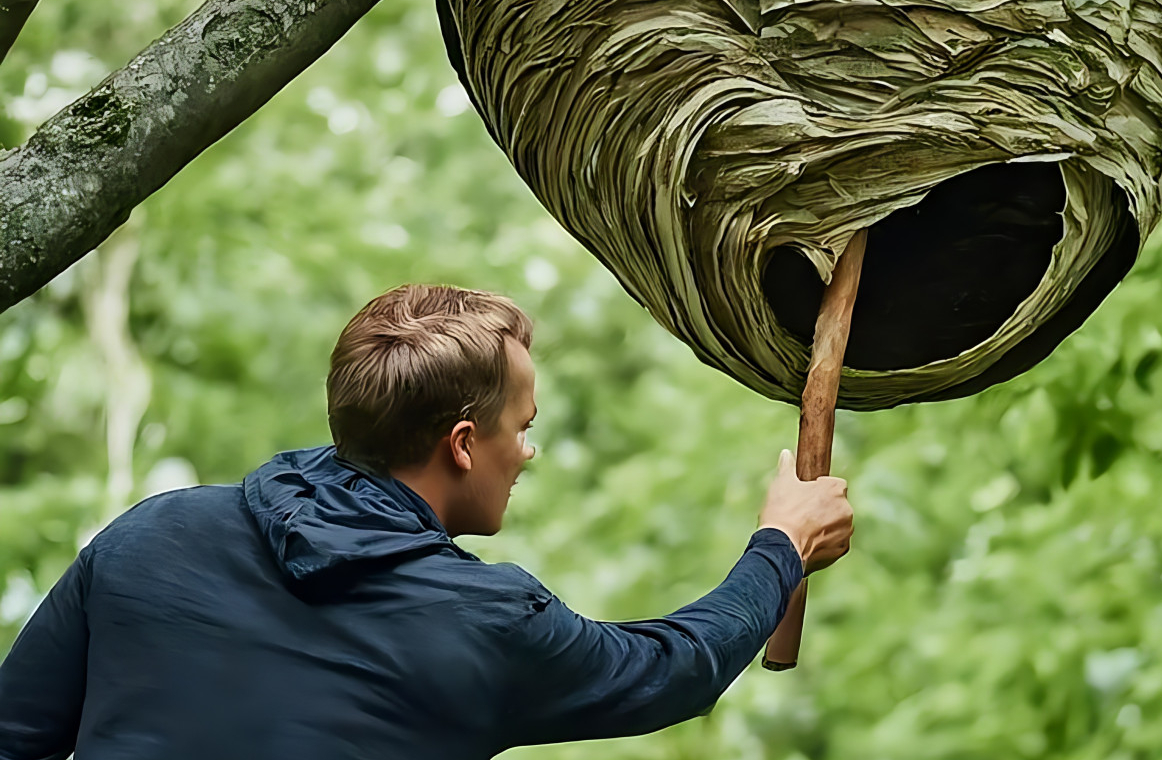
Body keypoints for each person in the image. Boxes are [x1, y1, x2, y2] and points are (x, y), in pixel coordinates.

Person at [0, 284, 854, 759]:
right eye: (522, 427)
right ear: (462, 443)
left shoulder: (150, 535)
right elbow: (677, 666)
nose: (529, 451)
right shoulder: (486, 623)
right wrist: (780, 545)